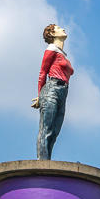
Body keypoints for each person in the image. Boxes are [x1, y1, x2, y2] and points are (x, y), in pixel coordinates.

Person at [32, 24, 73, 160]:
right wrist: (39, 95)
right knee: (46, 129)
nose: (63, 29)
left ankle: (47, 161)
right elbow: (43, 72)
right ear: (53, 34)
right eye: (59, 28)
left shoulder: (62, 55)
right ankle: (42, 163)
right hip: (52, 89)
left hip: (63, 92)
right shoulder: (51, 49)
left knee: (55, 132)